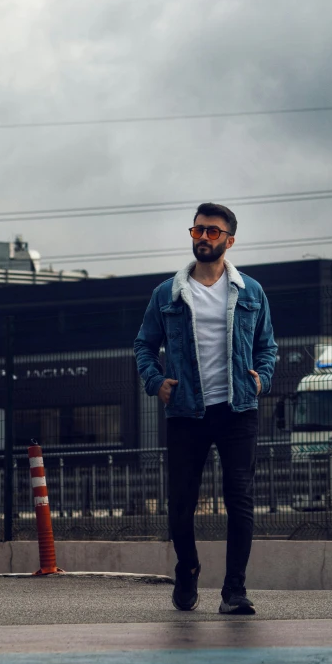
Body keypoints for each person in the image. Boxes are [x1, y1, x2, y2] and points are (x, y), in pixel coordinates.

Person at [134, 203, 277, 614]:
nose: (203, 238)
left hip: (238, 410)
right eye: (198, 230)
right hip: (186, 411)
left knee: (240, 500)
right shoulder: (168, 293)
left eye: (213, 232)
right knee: (180, 501)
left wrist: (261, 379)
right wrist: (154, 381)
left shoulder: (250, 291)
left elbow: (268, 346)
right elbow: (144, 344)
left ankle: (234, 591)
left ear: (229, 240)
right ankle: (188, 569)